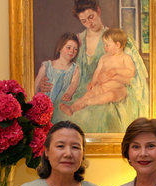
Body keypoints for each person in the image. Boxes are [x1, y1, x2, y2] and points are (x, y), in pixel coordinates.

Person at [40, 0, 149, 133]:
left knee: (102, 112)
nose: (89, 23)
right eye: (84, 21)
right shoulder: (77, 40)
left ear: (98, 11)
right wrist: (48, 80)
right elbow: (65, 67)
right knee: (58, 108)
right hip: (84, 89)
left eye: (91, 17)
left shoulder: (116, 38)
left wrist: (115, 75)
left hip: (114, 89)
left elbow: (134, 75)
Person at [60, 28, 135, 116]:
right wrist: (93, 82)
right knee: (89, 94)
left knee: (110, 95)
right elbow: (97, 71)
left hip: (118, 89)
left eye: (107, 45)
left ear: (118, 45)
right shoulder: (104, 58)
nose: (104, 47)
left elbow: (131, 72)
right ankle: (71, 108)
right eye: (104, 44)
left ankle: (87, 103)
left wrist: (116, 71)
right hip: (102, 86)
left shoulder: (125, 58)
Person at [34, 32, 81, 104]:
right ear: (60, 48)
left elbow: (74, 84)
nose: (72, 51)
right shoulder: (47, 66)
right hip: (45, 103)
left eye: (75, 49)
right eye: (68, 47)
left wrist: (69, 94)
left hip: (62, 103)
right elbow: (36, 86)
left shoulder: (75, 68)